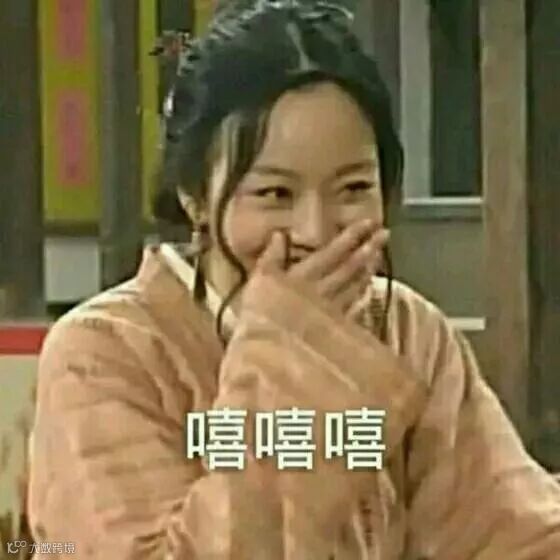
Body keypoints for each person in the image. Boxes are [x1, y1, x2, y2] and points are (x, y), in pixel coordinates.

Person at [28, 1, 560, 558]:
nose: (316, 231)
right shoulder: (103, 354)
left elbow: (513, 534)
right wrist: (285, 359)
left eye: (353, 189)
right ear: (194, 196)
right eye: (275, 194)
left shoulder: (407, 331)